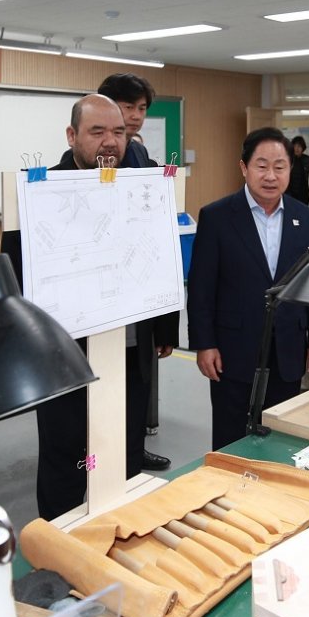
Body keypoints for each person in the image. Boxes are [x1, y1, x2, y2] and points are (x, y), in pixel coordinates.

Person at [23, 94, 178, 520]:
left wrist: (165, 329)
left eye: (119, 132)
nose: (110, 142)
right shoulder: (39, 190)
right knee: (69, 451)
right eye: (97, 132)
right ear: (72, 135)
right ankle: (61, 539)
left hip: (128, 347)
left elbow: (163, 255)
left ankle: (118, 527)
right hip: (64, 354)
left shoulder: (141, 185)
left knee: (122, 447)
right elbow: (20, 280)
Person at [187, 127, 309, 451]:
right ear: (243, 167)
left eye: (280, 166)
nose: (271, 175)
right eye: (261, 165)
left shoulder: (306, 218)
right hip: (233, 350)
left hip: (289, 348)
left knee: (282, 438)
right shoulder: (217, 217)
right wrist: (204, 343)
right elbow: (201, 287)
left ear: (291, 170)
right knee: (231, 439)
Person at [94, 72, 175, 471]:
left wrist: (165, 325)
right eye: (129, 107)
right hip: (100, 298)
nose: (137, 117)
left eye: (142, 109)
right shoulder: (80, 164)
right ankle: (99, 465)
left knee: (137, 386)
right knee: (100, 392)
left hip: (138, 292)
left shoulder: (141, 156)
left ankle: (132, 454)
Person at [285, 135, 309, 204]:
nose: (297, 149)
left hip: (304, 194)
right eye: (295, 146)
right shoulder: (288, 160)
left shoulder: (308, 159)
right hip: (290, 193)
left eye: (299, 146)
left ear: (303, 148)